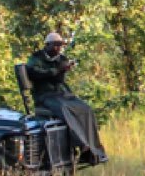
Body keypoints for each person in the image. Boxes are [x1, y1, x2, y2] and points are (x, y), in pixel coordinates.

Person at [26, 32, 107, 165]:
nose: (58, 48)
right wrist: (56, 70)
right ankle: (81, 144)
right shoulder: (36, 58)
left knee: (85, 109)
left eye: (60, 45)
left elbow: (58, 79)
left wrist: (63, 70)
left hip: (61, 94)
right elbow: (34, 73)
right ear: (47, 45)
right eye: (56, 45)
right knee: (64, 109)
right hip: (45, 95)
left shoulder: (61, 59)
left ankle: (95, 149)